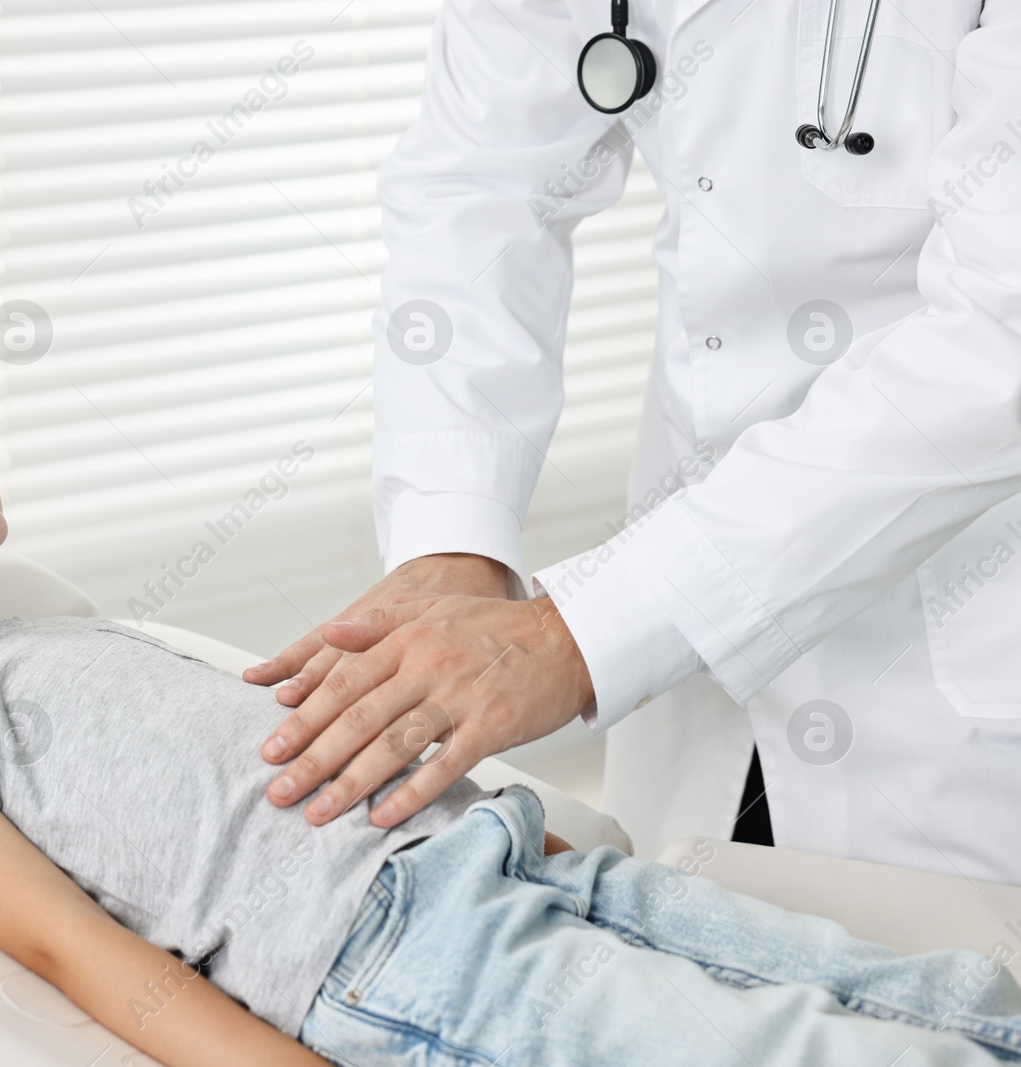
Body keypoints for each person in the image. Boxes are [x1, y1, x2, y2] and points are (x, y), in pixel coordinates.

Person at [0, 338, 1021, 1065]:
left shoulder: (59, 636)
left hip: (504, 864)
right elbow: (73, 948)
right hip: (406, 957)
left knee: (915, 992)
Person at [244, 0, 1021, 879]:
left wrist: (580, 635)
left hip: (963, 615)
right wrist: (451, 535)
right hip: (688, 611)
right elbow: (476, 187)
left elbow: (1002, 335)